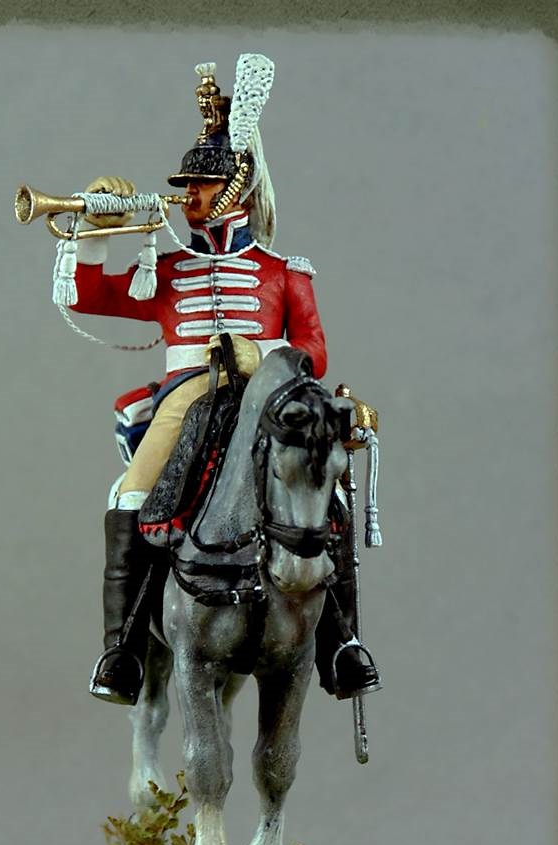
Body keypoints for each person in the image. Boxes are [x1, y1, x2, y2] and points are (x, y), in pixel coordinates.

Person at [68, 56, 380, 706]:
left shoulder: (283, 271)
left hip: (269, 399)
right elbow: (85, 295)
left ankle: (341, 643)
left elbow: (314, 351)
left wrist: (256, 355)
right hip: (186, 397)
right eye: (188, 184)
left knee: (329, 503)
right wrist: (95, 230)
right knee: (131, 494)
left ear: (237, 188)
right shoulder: (167, 270)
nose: (191, 195)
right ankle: (122, 650)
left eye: (204, 184)